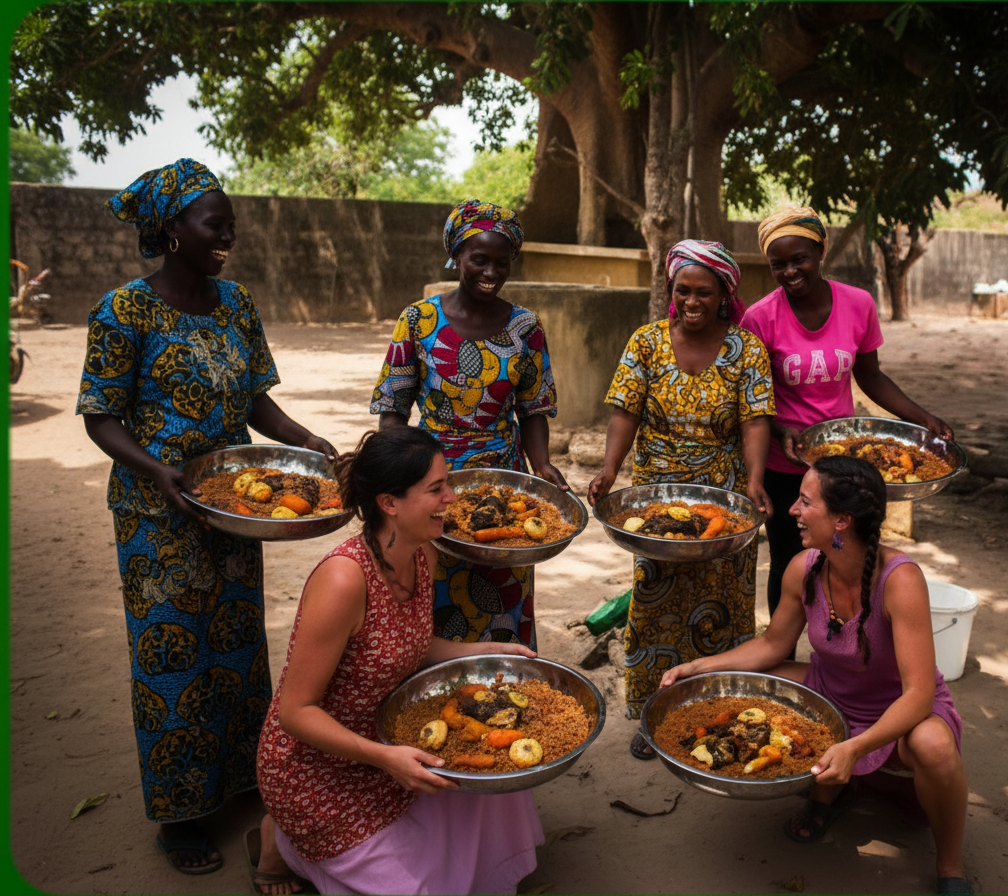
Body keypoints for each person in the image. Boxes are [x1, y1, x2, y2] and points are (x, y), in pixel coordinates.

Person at [77, 159, 335, 885]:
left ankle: (241, 777)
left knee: (235, 642)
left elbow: (257, 400)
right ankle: (181, 811)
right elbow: (101, 414)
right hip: (156, 514)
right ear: (169, 231)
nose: (228, 234)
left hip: (234, 505)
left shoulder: (235, 304)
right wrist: (157, 472)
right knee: (171, 652)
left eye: (229, 223)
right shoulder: (124, 310)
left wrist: (306, 440)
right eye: (213, 222)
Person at [660, 455, 970, 894]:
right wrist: (698, 667)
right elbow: (772, 646)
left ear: (842, 520)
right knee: (753, 692)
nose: (792, 511)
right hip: (828, 695)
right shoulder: (803, 568)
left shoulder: (900, 580)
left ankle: (951, 865)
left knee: (933, 746)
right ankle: (832, 794)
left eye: (805, 502)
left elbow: (918, 694)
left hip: (899, 710)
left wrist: (853, 747)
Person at [256, 427, 544, 895]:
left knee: (496, 785)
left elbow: (409, 644)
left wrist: (487, 650)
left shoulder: (422, 552)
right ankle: (282, 839)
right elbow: (294, 712)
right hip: (318, 769)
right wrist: (385, 757)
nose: (452, 498)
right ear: (390, 503)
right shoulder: (343, 580)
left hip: (390, 744)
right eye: (436, 489)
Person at [587, 239, 775, 760]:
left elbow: (755, 419)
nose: (691, 301)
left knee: (726, 601)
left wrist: (756, 480)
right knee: (655, 601)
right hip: (658, 498)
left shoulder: (746, 349)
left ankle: (722, 714)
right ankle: (653, 715)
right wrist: (609, 468)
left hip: (725, 494)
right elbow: (624, 412)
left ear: (724, 295)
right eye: (682, 290)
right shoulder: (647, 343)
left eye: (704, 293)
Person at [741, 207, 954, 626]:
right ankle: (783, 647)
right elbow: (752, 400)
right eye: (778, 264)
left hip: (844, 465)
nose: (789, 272)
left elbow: (870, 375)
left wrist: (922, 416)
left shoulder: (858, 304)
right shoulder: (759, 318)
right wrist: (781, 429)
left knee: (849, 557)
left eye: (799, 259)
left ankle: (846, 642)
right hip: (786, 467)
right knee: (791, 561)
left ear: (820, 251)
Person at [370, 199, 568, 647]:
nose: (491, 272)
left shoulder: (525, 327)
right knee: (431, 584)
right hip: (431, 474)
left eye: (503, 262)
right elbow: (393, 409)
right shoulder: (418, 320)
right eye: (479, 259)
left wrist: (543, 466)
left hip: (503, 475)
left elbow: (533, 407)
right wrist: (397, 474)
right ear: (457, 255)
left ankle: (504, 677)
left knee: (502, 579)